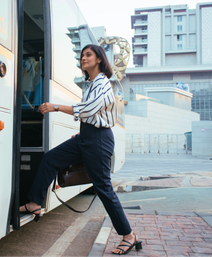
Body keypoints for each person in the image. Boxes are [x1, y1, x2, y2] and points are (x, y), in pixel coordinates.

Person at [19, 44, 142, 255]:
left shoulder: (103, 83)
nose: (83, 58)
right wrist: (83, 131)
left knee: (103, 188)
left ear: (99, 60)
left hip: (99, 140)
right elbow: (92, 115)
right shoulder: (91, 83)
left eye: (88, 55)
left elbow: (89, 109)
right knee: (51, 159)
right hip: (87, 137)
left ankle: (128, 235)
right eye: (82, 55)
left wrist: (55, 107)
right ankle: (34, 203)